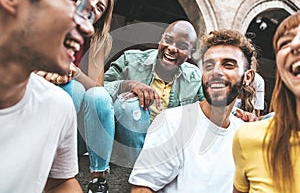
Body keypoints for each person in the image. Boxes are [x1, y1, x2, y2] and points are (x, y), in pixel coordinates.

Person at [129, 29, 257, 193]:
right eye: (209, 65)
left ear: (247, 77)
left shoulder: (246, 135)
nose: (216, 72)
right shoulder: (173, 122)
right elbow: (142, 189)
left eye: (228, 64)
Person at [0, 0, 95, 192]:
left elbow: (60, 183)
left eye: (90, 15)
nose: (89, 28)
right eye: (76, 2)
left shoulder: (58, 105)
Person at [102, 20, 203, 166]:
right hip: (127, 147)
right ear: (160, 39)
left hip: (168, 149)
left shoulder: (195, 77)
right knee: (129, 104)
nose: (172, 48)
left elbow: (210, 110)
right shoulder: (130, 59)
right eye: (168, 40)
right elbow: (98, 91)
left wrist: (240, 115)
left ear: (190, 53)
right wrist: (126, 85)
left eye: (182, 47)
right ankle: (144, 169)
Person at [233, 12, 300, 193]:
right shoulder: (248, 137)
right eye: (285, 42)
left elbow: (258, 112)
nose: (295, 44)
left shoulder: (258, 82)